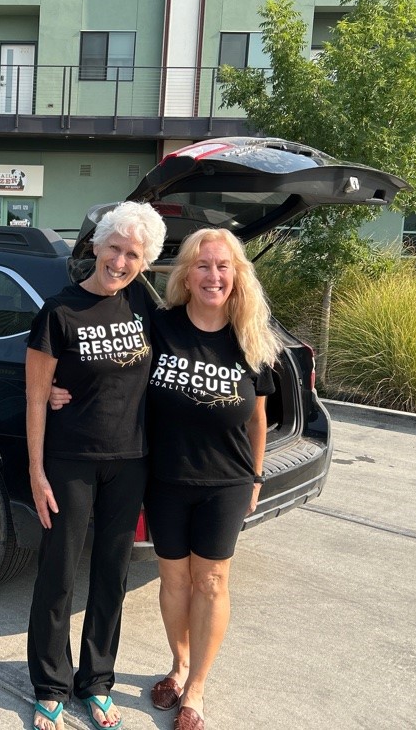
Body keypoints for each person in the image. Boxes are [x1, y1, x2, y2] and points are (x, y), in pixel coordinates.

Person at [26, 201, 166, 730]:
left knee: (111, 576)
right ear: (96, 246)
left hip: (130, 463)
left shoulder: (142, 307)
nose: (121, 261)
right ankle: (49, 685)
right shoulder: (58, 312)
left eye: (133, 253)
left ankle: (97, 681)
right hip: (70, 463)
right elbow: (36, 397)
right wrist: (37, 473)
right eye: (114, 247)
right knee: (58, 575)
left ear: (144, 260)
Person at [144, 227, 281, 730]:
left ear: (237, 275)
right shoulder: (161, 327)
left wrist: (256, 477)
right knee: (174, 579)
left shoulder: (250, 337)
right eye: (203, 265)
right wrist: (58, 391)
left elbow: (256, 419)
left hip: (225, 482)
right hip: (165, 478)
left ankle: (196, 689)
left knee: (212, 580)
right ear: (187, 273)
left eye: (223, 266)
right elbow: (111, 368)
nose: (213, 276)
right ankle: (177, 666)